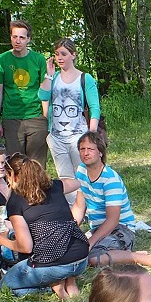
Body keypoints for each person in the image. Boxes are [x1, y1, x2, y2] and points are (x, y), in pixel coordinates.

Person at [0, 155, 88, 299]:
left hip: (52, 263)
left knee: (6, 286)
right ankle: (69, 278)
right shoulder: (55, 186)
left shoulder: (16, 201)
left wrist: (3, 241)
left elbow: (26, 247)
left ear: (13, 176)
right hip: (81, 258)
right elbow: (77, 183)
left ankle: (52, 286)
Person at [74, 131, 151, 268]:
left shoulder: (110, 180)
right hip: (98, 228)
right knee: (74, 253)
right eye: (82, 149)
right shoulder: (81, 171)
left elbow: (113, 220)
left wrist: (91, 242)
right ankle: (121, 253)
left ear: (100, 152)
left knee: (93, 259)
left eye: (91, 149)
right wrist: (68, 230)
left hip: (121, 229)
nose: (86, 153)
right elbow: (79, 207)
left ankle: (136, 257)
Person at [39, 37, 101, 201]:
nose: (59, 58)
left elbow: (94, 107)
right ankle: (72, 210)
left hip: (78, 136)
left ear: (73, 55)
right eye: (57, 54)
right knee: (64, 175)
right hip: (56, 136)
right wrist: (48, 75)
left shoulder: (84, 78)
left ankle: (88, 207)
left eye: (64, 54)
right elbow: (42, 95)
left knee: (81, 172)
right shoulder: (54, 78)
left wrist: (91, 134)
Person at [0, 19, 50, 163]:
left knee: (36, 165)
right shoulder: (2, 59)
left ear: (28, 39)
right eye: (14, 37)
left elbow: (45, 91)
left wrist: (45, 119)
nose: (18, 41)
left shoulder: (38, 59)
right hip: (11, 117)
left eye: (22, 37)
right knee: (15, 164)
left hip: (35, 116)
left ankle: (36, 187)